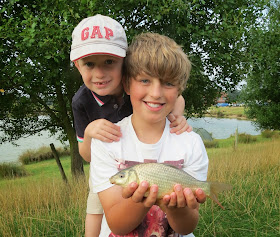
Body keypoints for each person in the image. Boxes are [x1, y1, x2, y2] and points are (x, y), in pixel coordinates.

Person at [70, 15, 192, 237]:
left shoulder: (137, 88)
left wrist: (176, 118)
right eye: (89, 64)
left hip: (142, 164)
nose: (99, 73)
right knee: (96, 206)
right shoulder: (81, 102)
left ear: (125, 64)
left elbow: (178, 99)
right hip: (106, 164)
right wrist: (89, 134)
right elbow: (86, 155)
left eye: (109, 62)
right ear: (77, 65)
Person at [90, 32, 209, 236]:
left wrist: (176, 209)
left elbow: (187, 227)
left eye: (169, 83)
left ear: (179, 91)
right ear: (127, 84)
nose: (156, 93)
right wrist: (145, 199)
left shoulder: (191, 142)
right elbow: (118, 226)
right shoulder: (107, 141)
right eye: (145, 80)